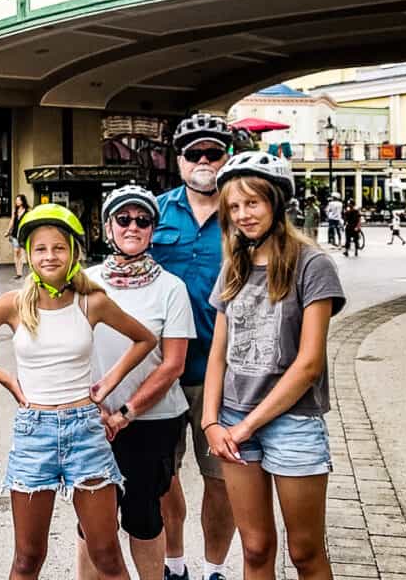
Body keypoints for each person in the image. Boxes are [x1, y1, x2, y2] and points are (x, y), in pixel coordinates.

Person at [0, 204, 156, 580]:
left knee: (106, 553)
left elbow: (145, 339)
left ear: (74, 251)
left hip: (85, 433)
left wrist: (109, 382)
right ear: (27, 253)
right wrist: (7, 379)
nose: (49, 256)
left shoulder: (92, 301)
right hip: (33, 432)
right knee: (27, 559)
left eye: (59, 247)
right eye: (40, 248)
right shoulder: (13, 305)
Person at [203, 151, 345, 580]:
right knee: (256, 548)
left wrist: (246, 428)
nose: (243, 215)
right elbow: (218, 353)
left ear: (277, 202)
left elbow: (308, 365)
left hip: (293, 422)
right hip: (231, 419)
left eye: (253, 203)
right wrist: (211, 421)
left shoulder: (312, 264)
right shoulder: (235, 266)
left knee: (305, 552)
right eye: (233, 206)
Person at [75, 186, 196, 580]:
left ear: (152, 230)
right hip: (93, 421)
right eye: (123, 219)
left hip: (153, 421)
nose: (133, 227)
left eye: (142, 220)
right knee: (93, 521)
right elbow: (66, 351)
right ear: (108, 227)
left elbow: (173, 364)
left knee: (144, 517)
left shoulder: (170, 288)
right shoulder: (85, 283)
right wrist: (96, 408)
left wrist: (126, 413)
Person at [153, 112, 236, 580]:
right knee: (164, 478)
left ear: (226, 157)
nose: (203, 161)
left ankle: (215, 569)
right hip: (162, 371)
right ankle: (174, 564)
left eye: (213, 153)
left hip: (223, 375)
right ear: (178, 160)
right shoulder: (153, 212)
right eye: (194, 154)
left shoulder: (245, 210)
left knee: (220, 480)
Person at [6, 194, 31, 278]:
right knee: (16, 252)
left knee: (26, 253)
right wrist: (8, 231)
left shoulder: (28, 211)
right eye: (16, 200)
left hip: (24, 234)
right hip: (15, 233)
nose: (17, 202)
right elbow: (12, 221)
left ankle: (30, 271)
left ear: (23, 201)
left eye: (19, 200)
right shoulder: (15, 210)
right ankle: (18, 273)